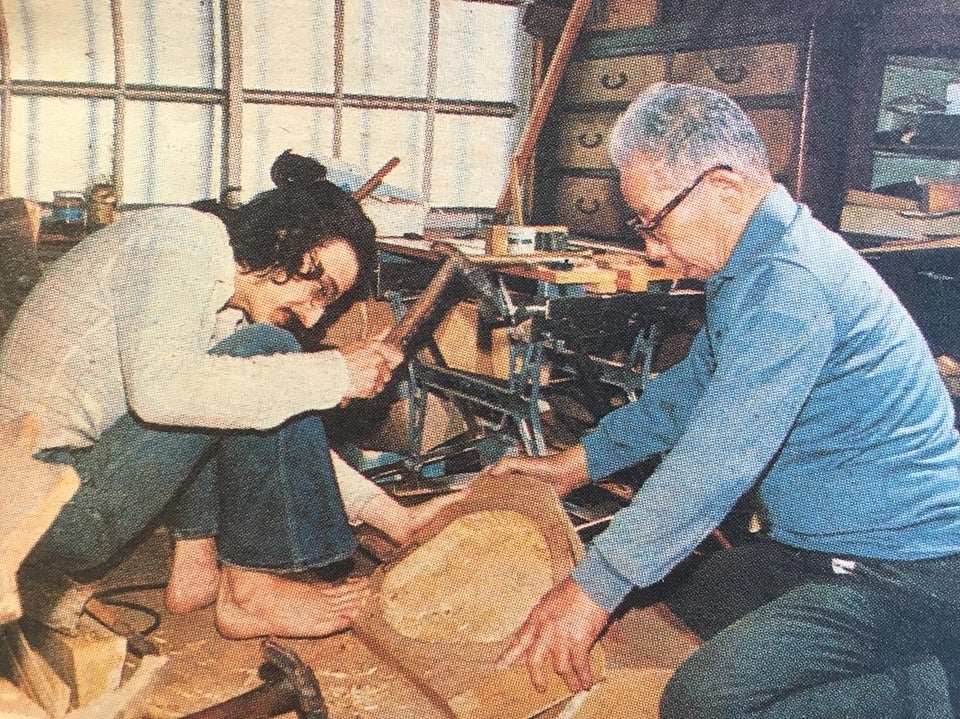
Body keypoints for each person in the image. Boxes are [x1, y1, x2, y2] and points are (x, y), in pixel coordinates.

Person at [486, 83, 960, 718]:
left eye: (653, 222)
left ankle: (931, 689)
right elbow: (691, 390)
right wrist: (578, 463)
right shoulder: (750, 264)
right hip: (819, 541)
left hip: (904, 568)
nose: (651, 248)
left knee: (700, 703)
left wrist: (592, 587)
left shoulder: (791, 284)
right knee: (689, 602)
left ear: (723, 188)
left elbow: (717, 458)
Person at [0, 151, 454, 639]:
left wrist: (392, 518)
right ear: (284, 238)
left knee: (251, 379)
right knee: (269, 354)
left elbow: (259, 418)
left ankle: (195, 565)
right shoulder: (182, 238)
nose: (314, 316)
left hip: (46, 502)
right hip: (33, 514)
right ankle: (250, 592)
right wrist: (334, 374)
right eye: (320, 288)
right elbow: (162, 392)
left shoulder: (221, 299)